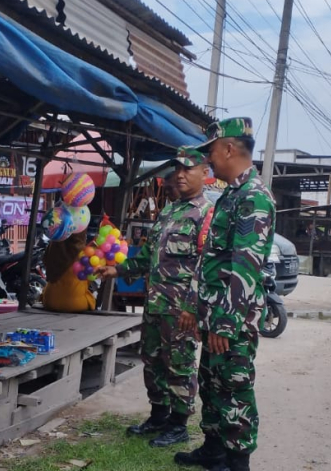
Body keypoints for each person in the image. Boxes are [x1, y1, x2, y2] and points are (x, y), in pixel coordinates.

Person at [175, 118, 275, 471]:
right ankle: (214, 450)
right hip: (216, 313)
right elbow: (211, 259)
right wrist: (195, 305)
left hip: (232, 317)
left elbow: (244, 266)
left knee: (234, 388)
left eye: (212, 151)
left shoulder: (254, 198)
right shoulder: (231, 195)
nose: (209, 160)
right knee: (212, 384)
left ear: (229, 149)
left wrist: (225, 323)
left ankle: (237, 462)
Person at [96, 146, 212, 448]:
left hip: (181, 310)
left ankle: (179, 424)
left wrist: (192, 308)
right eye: (178, 169)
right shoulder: (169, 211)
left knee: (179, 364)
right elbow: (148, 257)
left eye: (189, 169)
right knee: (152, 361)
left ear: (205, 173)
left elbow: (206, 267)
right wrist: (116, 271)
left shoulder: (207, 215)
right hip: (155, 303)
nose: (181, 175)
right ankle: (158, 415)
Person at [41, 231, 96, 312]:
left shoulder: (53, 248)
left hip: (50, 301)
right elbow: (91, 277)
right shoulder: (85, 253)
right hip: (76, 304)